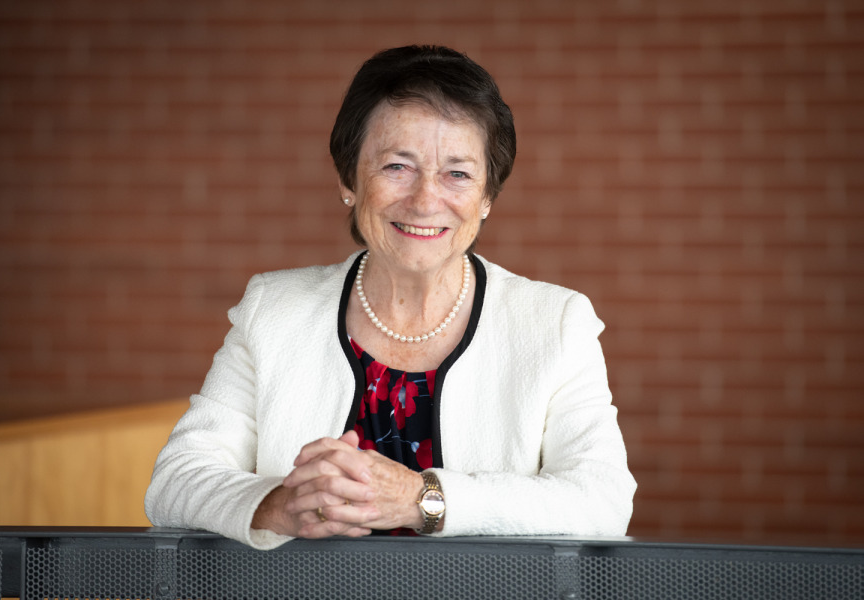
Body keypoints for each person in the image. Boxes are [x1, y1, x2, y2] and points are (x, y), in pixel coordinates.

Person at [145, 45, 636, 550]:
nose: (425, 200)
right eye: (397, 166)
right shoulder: (273, 310)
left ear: (487, 197)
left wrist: (421, 499)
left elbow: (602, 499)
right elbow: (175, 481)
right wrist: (278, 505)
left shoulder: (554, 322)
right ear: (348, 181)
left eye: (458, 174)